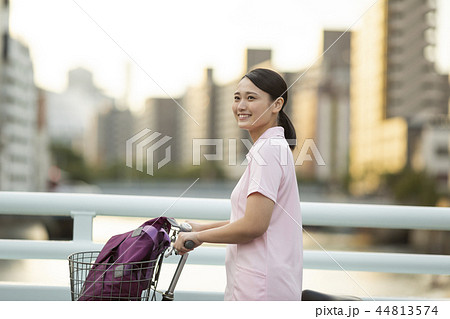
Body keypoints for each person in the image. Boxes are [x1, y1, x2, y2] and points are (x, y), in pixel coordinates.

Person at [174, 68, 303, 301]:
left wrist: (200, 238)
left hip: (261, 289)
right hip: (261, 282)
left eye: (251, 98)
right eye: (237, 97)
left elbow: (254, 225)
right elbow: (252, 218)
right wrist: (201, 228)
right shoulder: (269, 148)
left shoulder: (269, 150)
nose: (241, 105)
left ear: (277, 105)